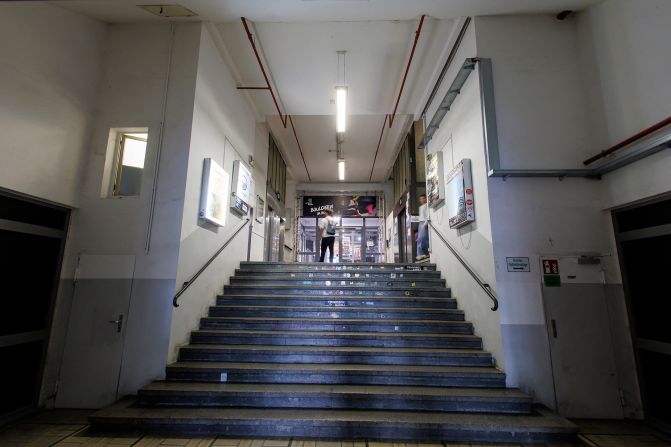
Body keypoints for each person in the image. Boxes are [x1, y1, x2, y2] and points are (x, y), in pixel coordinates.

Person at [416, 194, 429, 261]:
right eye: (420, 199)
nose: (421, 200)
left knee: (423, 239)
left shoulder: (427, 205)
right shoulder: (421, 207)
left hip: (423, 223)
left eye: (423, 198)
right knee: (422, 239)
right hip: (420, 223)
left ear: (425, 198)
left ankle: (421, 254)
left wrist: (425, 224)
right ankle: (421, 254)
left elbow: (428, 215)